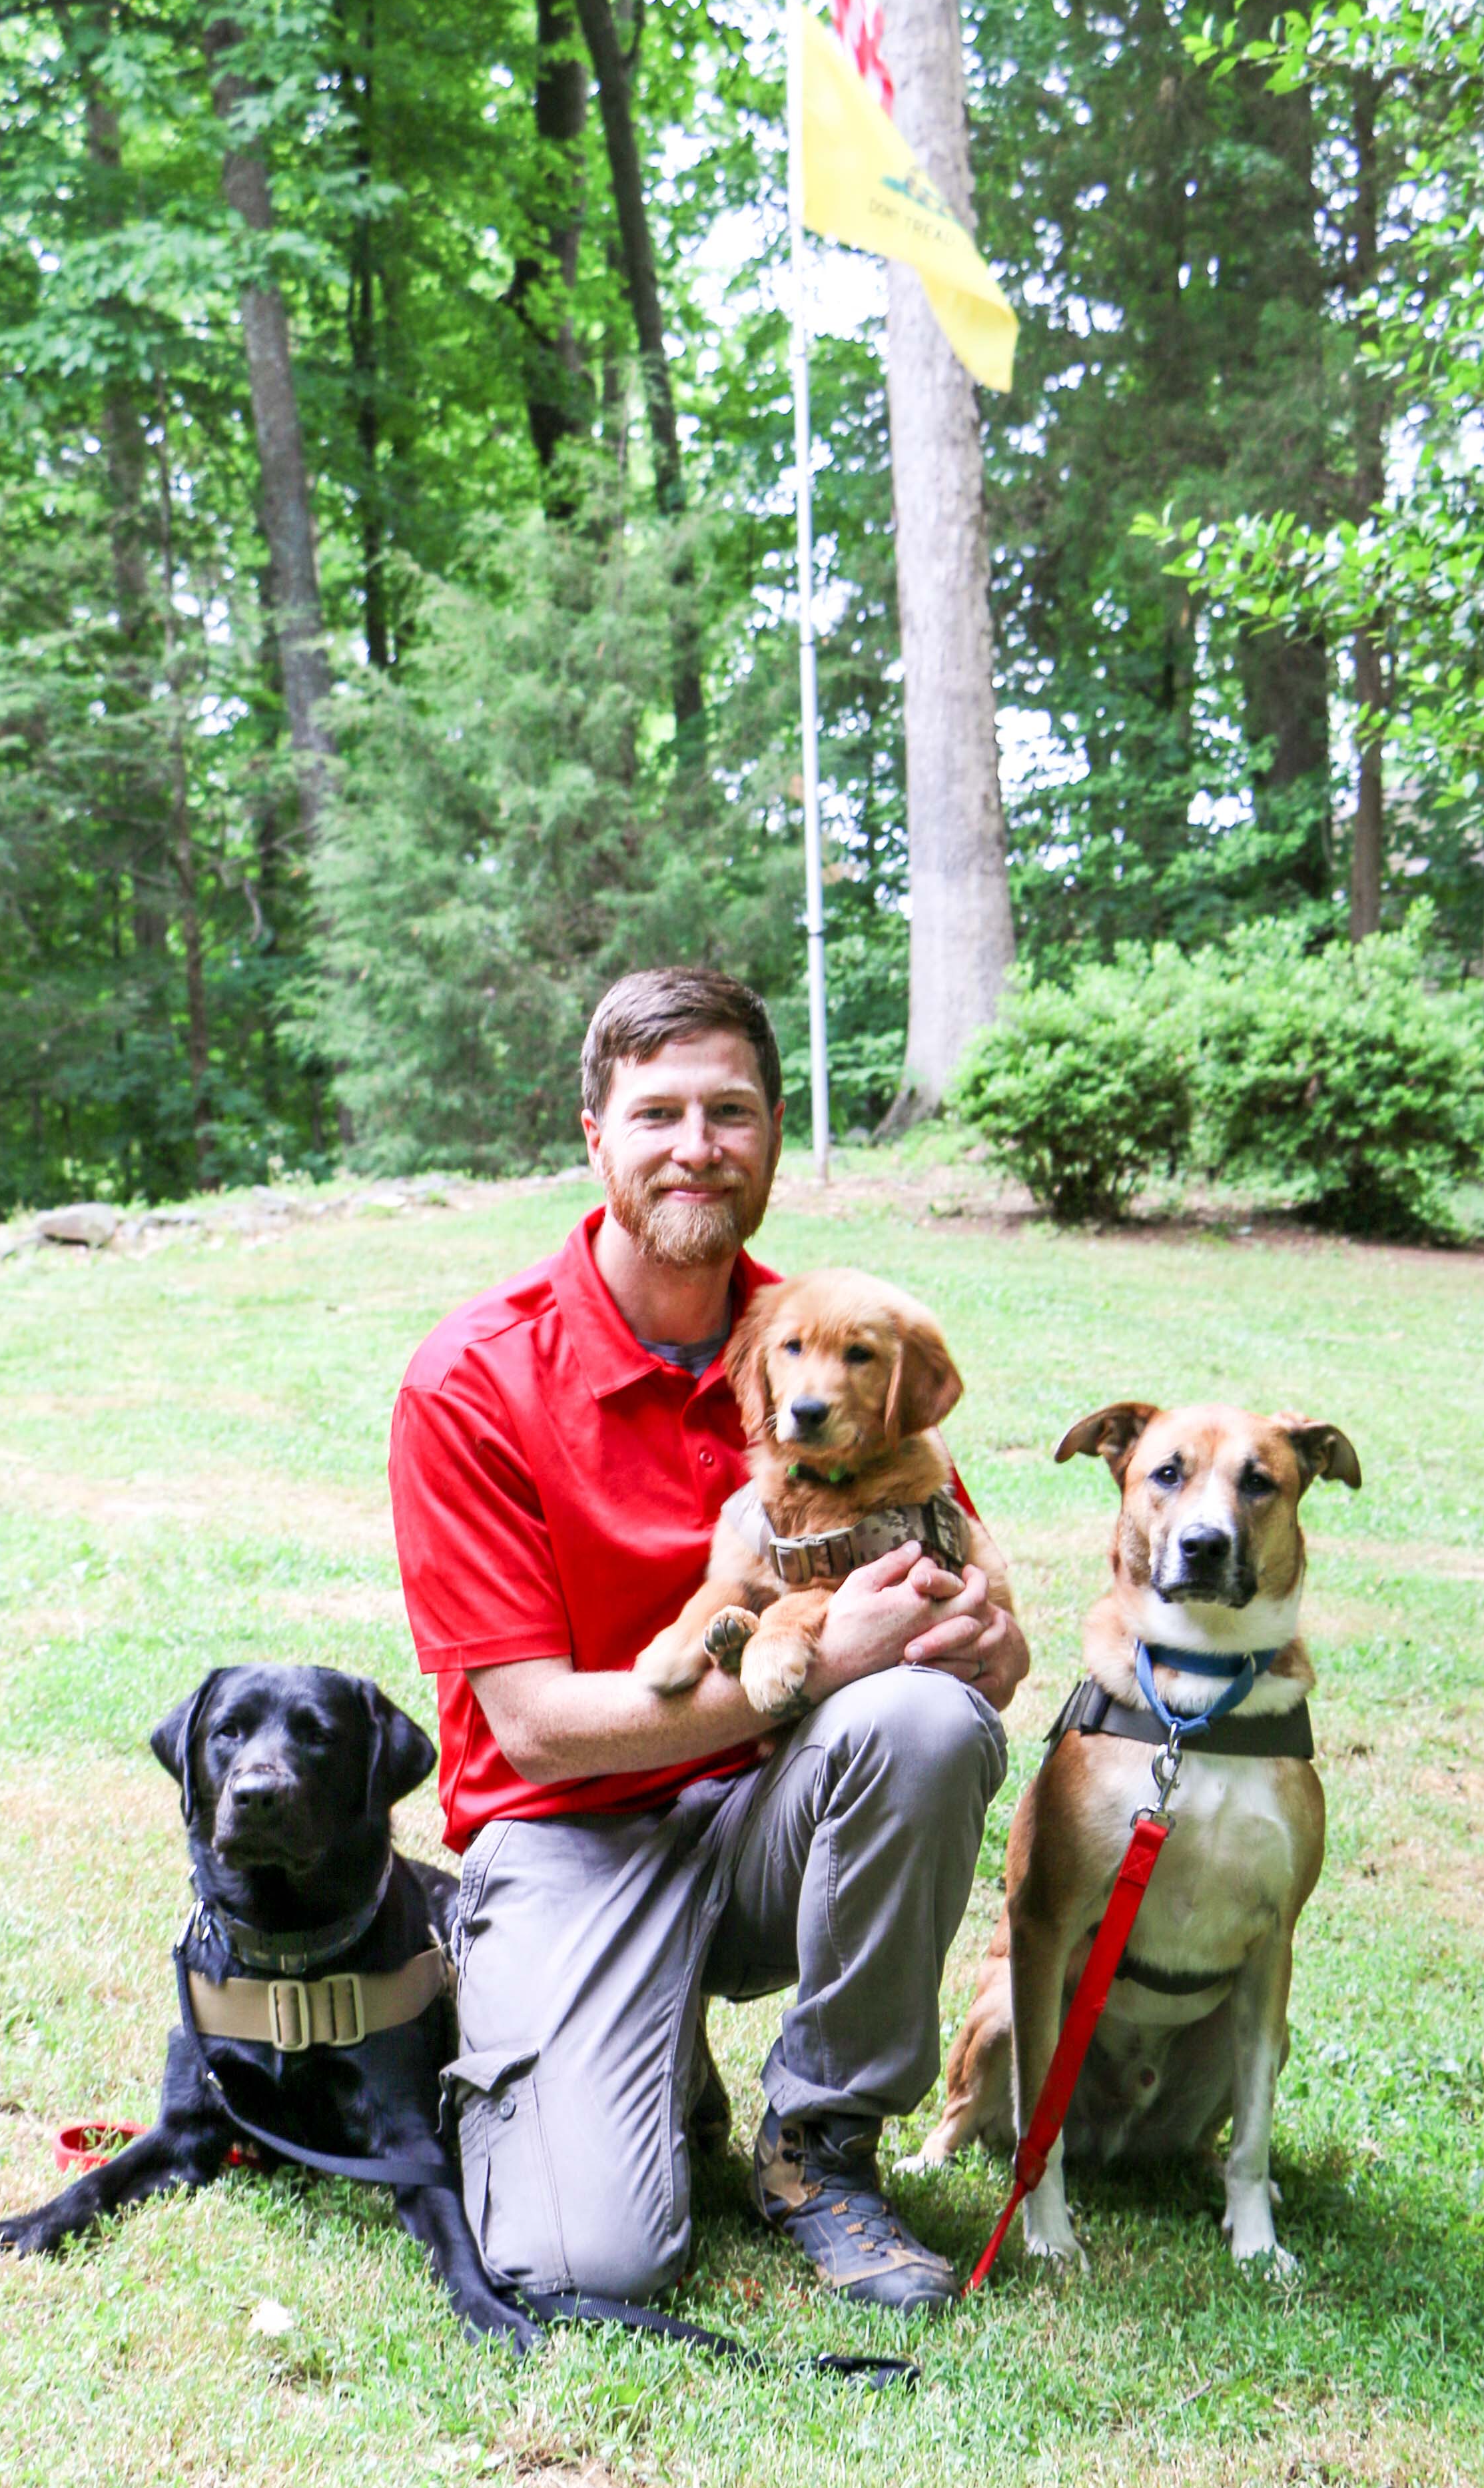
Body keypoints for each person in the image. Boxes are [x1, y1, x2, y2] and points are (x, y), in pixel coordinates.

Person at [390, 967, 1028, 2313]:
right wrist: (818, 1659)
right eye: (657, 1111)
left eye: (729, 1110)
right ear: (594, 1134)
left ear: (776, 1131)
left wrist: (987, 1650)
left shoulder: (836, 1337)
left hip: (765, 1829)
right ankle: (635, 2049)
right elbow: (536, 1728)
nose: (696, 1144)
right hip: (566, 1834)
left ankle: (822, 2141)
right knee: (589, 2261)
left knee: (920, 1719)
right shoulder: (476, 1377)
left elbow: (966, 1622)